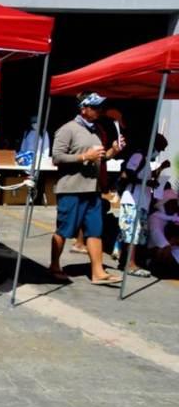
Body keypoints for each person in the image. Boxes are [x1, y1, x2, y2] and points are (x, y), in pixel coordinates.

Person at [50, 91, 123, 284]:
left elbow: (100, 157)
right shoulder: (68, 129)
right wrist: (84, 157)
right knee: (64, 229)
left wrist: (112, 152)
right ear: (84, 109)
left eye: (101, 107)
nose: (100, 110)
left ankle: (98, 273)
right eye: (96, 107)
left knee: (95, 230)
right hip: (71, 188)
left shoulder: (98, 130)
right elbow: (56, 157)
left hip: (93, 189)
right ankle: (54, 265)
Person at [116, 133, 170, 277]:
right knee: (132, 232)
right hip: (133, 199)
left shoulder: (144, 160)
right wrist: (147, 183)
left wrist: (161, 169)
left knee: (137, 233)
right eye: (160, 148)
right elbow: (127, 174)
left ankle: (126, 261)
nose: (160, 152)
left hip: (141, 202)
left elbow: (146, 176)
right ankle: (130, 264)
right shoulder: (138, 156)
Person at [148, 189, 179, 278]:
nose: (174, 206)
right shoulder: (155, 218)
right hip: (158, 251)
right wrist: (170, 242)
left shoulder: (175, 218)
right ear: (163, 204)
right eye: (171, 203)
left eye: (175, 203)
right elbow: (157, 235)